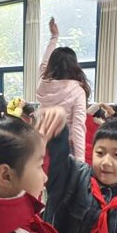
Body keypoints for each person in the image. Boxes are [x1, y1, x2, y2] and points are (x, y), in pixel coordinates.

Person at [37, 17, 90, 162]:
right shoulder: (77, 90)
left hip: (42, 143)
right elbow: (78, 126)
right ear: (74, 65)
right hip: (65, 147)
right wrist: (80, 161)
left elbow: (43, 64)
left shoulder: (44, 83)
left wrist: (54, 37)